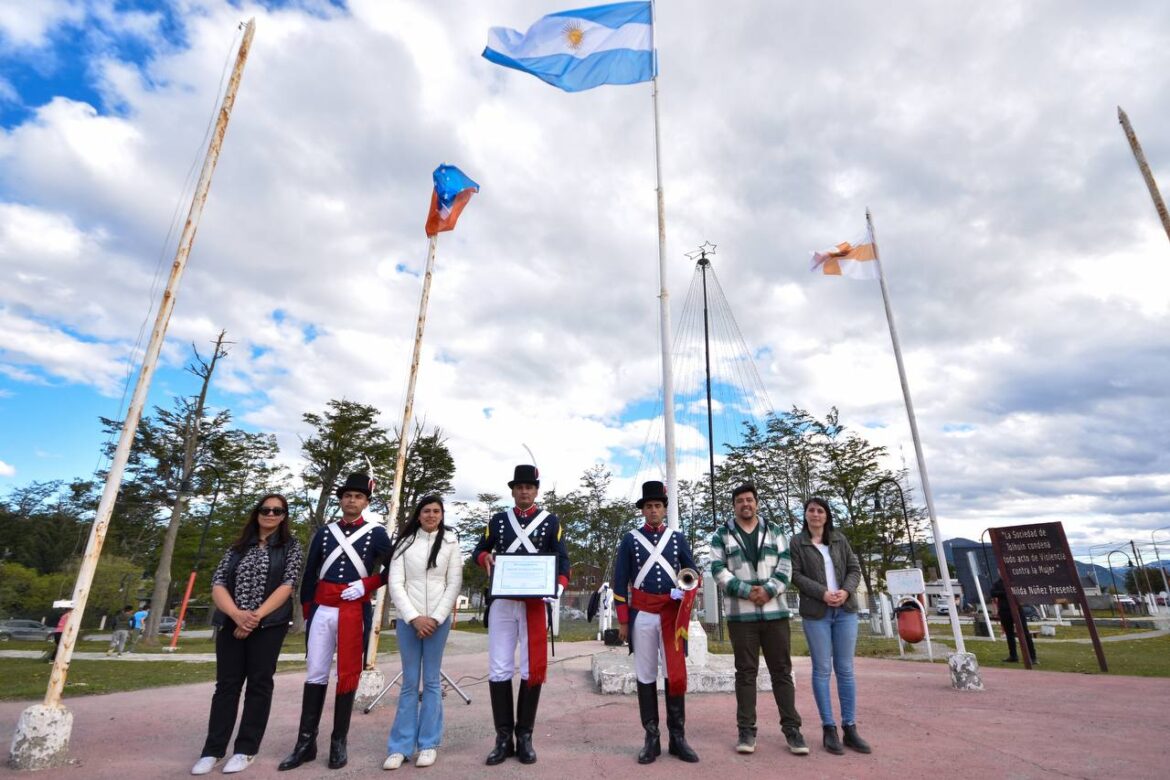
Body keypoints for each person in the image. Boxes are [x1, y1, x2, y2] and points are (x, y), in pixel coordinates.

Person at [279, 473, 392, 772]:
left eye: (358, 496)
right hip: (323, 607)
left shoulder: (377, 533)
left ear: (366, 502)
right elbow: (310, 571)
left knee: (348, 674)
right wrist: (308, 609)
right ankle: (305, 742)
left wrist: (367, 585)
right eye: (347, 496)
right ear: (341, 500)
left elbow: (394, 570)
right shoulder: (325, 532)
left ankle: (338, 741)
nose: (352, 500)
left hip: (355, 609)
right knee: (315, 673)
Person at [191, 494, 304, 776]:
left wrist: (255, 617)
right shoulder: (237, 547)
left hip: (268, 626)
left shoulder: (290, 546)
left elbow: (288, 584)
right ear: (257, 513)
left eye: (277, 510)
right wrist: (236, 615)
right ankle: (213, 750)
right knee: (226, 686)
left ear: (283, 516)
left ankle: (246, 749)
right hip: (231, 622)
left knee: (259, 685)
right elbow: (218, 583)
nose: (270, 514)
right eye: (265, 509)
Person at [473, 464, 571, 766]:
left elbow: (563, 561)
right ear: (513, 491)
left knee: (531, 668)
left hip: (533, 603)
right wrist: (485, 557)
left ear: (536, 491)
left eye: (529, 487)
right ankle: (503, 738)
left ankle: (525, 736)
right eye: (519, 487)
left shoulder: (550, 521)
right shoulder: (499, 520)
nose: (524, 491)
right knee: (499, 666)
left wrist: (555, 588)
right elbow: (480, 550)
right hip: (503, 602)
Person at [710, 482, 807, 756]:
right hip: (742, 617)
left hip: (775, 613)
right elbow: (718, 568)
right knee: (745, 673)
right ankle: (746, 730)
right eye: (740, 500)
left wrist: (769, 590)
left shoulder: (775, 531)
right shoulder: (722, 535)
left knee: (782, 672)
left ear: (757, 503)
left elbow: (786, 566)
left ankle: (792, 730)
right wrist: (745, 591)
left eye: (749, 499)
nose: (745, 504)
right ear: (734, 505)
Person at [612, 481, 700, 764]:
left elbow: (692, 573)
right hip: (642, 614)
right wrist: (623, 621)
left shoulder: (677, 538)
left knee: (674, 675)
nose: (653, 510)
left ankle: (678, 738)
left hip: (671, 616)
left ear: (664, 509)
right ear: (643, 511)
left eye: (657, 506)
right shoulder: (630, 539)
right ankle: (651, 738)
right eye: (648, 506)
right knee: (646, 674)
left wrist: (685, 590)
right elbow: (619, 582)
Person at [382, 496, 463, 770]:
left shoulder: (451, 543)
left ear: (442, 515)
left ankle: (428, 744)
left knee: (430, 682)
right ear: (418, 515)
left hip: (437, 623)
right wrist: (414, 618)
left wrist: (436, 618)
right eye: (426, 511)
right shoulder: (404, 544)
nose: (431, 515)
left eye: (436, 511)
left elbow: (454, 584)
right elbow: (396, 583)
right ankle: (400, 746)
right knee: (409, 682)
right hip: (409, 621)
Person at [789, 497, 870, 755]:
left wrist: (846, 591)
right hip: (817, 612)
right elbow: (795, 575)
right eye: (811, 510)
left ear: (827, 515)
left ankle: (850, 727)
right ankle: (829, 728)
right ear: (805, 515)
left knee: (845, 669)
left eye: (820, 510)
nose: (815, 514)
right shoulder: (797, 542)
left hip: (845, 611)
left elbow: (854, 569)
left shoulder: (839, 539)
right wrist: (823, 592)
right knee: (822, 669)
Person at [989, 578, 1037, 664]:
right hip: (1005, 610)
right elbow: (992, 593)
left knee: (1025, 632)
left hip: (1017, 608)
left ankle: (1032, 656)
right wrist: (1005, 592)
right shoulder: (998, 583)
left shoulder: (1015, 581)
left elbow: (1023, 591)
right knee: (1009, 633)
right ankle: (1013, 656)